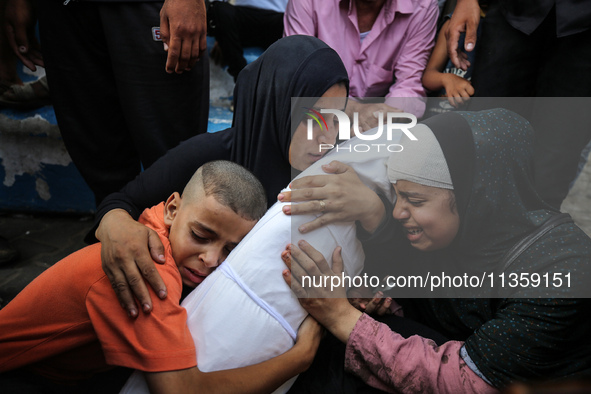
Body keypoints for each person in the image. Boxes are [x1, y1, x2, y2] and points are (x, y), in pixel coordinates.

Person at [282, 109, 591, 392]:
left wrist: (339, 315)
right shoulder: (465, 233)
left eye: (414, 201)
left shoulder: (559, 272)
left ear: (476, 196)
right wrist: (388, 301)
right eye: (397, 196)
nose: (398, 212)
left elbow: (465, 382)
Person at [92, 35, 368, 318]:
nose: (327, 137)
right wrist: (115, 223)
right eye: (314, 119)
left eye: (337, 120)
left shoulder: (333, 171)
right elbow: (121, 202)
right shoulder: (209, 154)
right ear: (276, 105)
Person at [0, 160, 322, 393]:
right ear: (172, 210)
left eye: (229, 251)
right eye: (200, 235)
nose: (211, 260)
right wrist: (300, 357)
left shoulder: (159, 234)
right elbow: (182, 392)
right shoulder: (148, 268)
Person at [4, 0, 210, 206]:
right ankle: (116, 229)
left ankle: (179, 234)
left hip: (146, 7)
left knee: (175, 159)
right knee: (99, 159)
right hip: (66, 11)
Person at [445, 0, 591, 210]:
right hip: (512, 13)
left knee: (552, 169)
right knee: (482, 143)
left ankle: (532, 239)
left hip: (584, 35)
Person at [284, 0, 439, 129]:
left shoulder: (422, 6)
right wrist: (354, 110)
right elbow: (297, 77)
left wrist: (380, 121)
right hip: (310, 117)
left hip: (372, 123)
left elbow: (408, 83)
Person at [207, 0, 287, 81]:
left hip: (276, 21)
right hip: (241, 19)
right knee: (219, 8)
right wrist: (220, 31)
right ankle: (242, 78)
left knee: (290, 22)